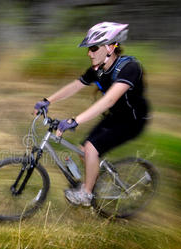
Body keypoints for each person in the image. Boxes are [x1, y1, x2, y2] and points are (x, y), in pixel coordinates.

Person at [33, 22, 150, 207]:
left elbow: (109, 100)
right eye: (89, 49)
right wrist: (48, 100)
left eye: (94, 48)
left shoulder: (130, 68)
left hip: (132, 121)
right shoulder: (98, 70)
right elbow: (75, 86)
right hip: (115, 117)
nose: (89, 53)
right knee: (83, 150)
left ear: (111, 47)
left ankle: (86, 194)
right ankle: (99, 181)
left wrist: (75, 120)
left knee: (91, 149)